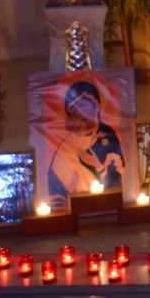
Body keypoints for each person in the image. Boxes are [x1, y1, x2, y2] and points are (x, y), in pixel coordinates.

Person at [47, 80, 124, 209]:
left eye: (83, 105)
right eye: (75, 108)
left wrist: (96, 165)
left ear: (96, 106)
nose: (79, 112)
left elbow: (117, 178)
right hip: (77, 204)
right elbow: (56, 183)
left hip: (107, 203)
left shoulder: (107, 134)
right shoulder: (68, 143)